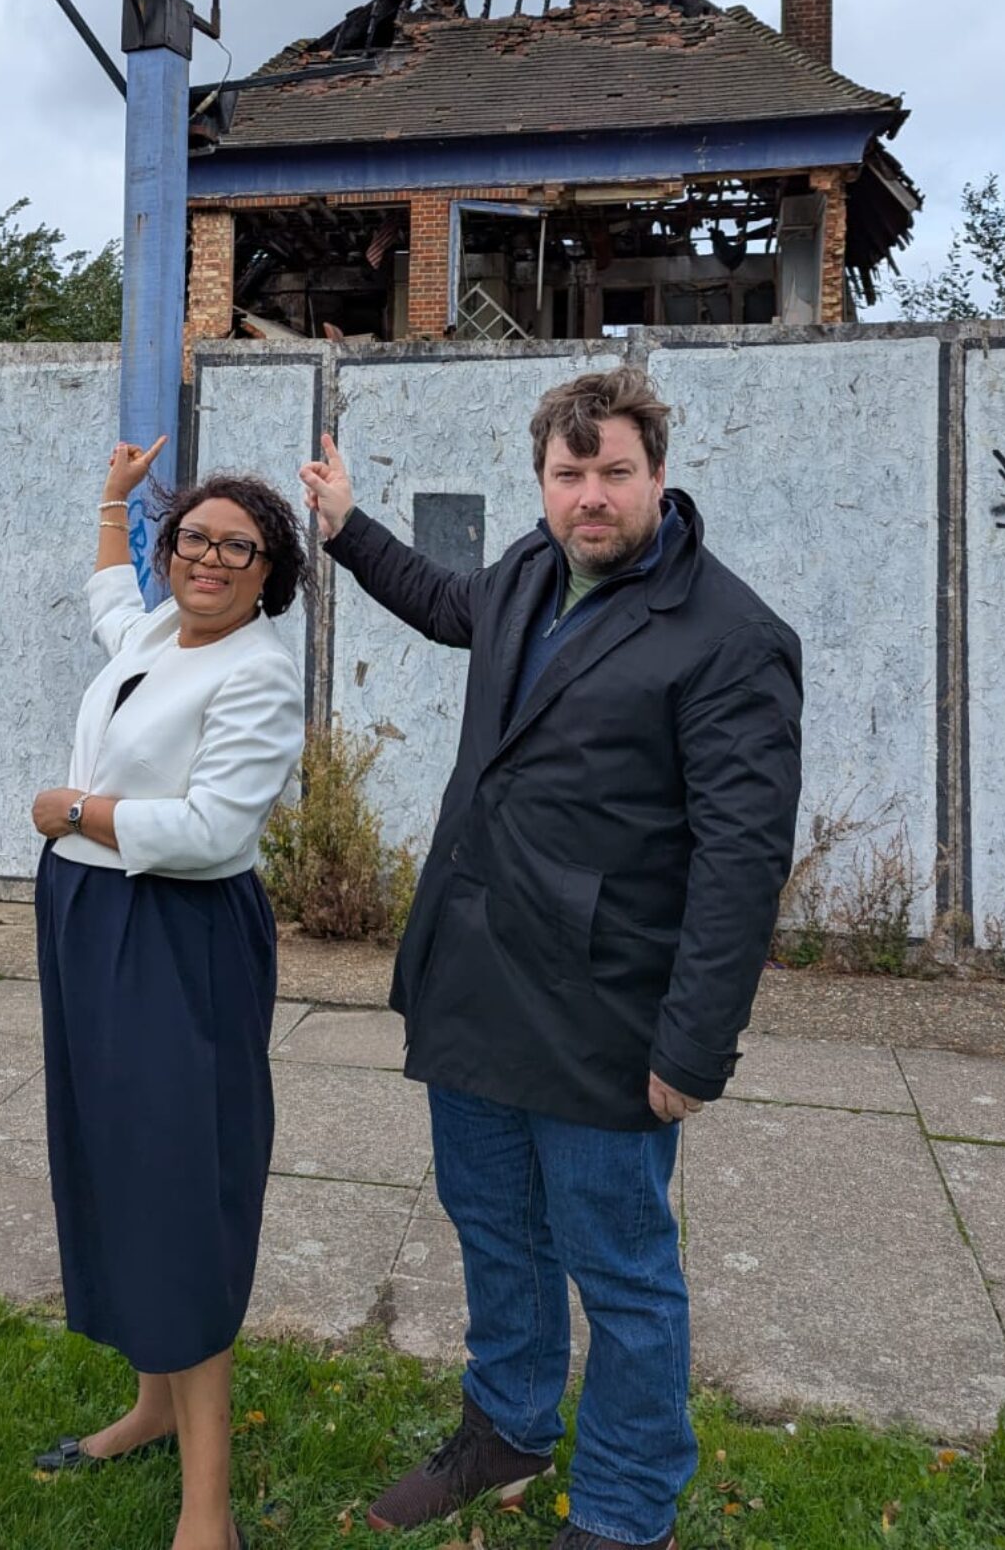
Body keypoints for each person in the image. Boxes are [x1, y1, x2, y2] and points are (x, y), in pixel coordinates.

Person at [300, 367, 802, 1550]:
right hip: (476, 974)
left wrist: (693, 1044)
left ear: (658, 477)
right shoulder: (530, 570)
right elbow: (443, 599)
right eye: (569, 474)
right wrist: (346, 527)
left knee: (621, 1276)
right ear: (542, 480)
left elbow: (740, 862)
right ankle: (510, 1426)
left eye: (613, 473)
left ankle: (629, 1512)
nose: (590, 497)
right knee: (492, 1223)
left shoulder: (730, 637)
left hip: (605, 1010)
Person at [29, 438, 309, 1550]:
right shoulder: (154, 628)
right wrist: (110, 494)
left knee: (181, 1188)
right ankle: (151, 1404)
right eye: (192, 536)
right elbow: (109, 592)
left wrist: (70, 810)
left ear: (266, 571)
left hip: (174, 934)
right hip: (90, 926)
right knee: (116, 1165)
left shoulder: (258, 669)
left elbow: (209, 832)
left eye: (236, 546)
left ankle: (209, 1509)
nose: (208, 557)